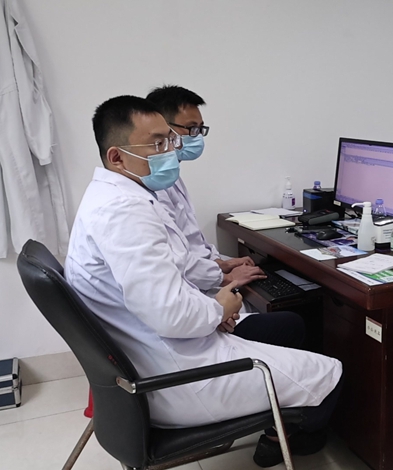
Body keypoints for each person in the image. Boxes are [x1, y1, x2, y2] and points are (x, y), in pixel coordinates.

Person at [65, 95, 342, 467]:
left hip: (153, 356)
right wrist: (218, 308)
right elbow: (170, 314)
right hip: (173, 378)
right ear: (117, 157)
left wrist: (212, 308)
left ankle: (281, 422)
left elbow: (173, 272)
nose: (171, 150)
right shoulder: (124, 211)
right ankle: (284, 439)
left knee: (285, 328)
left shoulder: (114, 196)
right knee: (331, 373)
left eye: (170, 140)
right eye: (158, 144)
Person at [146, 85, 304, 350]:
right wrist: (224, 277)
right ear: (164, 129)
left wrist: (222, 264)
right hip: (193, 311)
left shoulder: (171, 177)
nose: (197, 137)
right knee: (290, 321)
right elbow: (177, 262)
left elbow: (191, 243)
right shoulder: (152, 190)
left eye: (201, 129)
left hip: (201, 295)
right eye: (191, 129)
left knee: (271, 293)